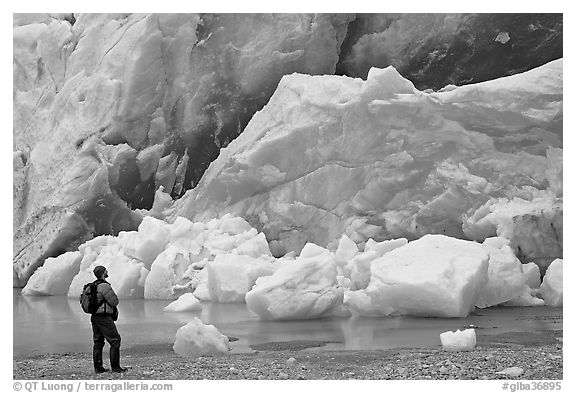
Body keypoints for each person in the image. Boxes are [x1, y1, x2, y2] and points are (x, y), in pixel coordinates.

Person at [90, 265, 127, 373]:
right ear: (103, 273)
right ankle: (116, 367)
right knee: (115, 340)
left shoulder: (93, 286)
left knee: (98, 342)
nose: (107, 272)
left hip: (95, 317)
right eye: (105, 271)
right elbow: (114, 301)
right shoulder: (104, 286)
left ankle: (98, 368)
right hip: (104, 317)